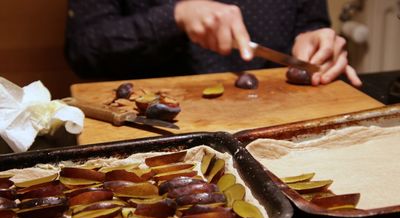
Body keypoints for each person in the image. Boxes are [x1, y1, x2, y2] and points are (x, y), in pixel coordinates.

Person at [65, 0, 362, 87]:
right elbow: (84, 50)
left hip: (279, 120)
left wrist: (314, 39)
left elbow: (310, 22)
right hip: (160, 138)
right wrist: (174, 17)